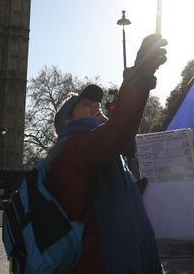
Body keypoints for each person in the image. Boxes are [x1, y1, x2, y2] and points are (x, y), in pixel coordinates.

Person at [45, 33, 167, 273]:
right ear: (67, 122)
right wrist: (140, 76)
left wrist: (133, 192)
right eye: (85, 104)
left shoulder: (92, 152)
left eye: (96, 103)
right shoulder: (73, 148)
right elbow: (117, 132)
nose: (95, 105)